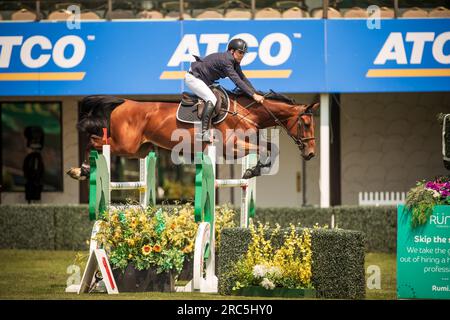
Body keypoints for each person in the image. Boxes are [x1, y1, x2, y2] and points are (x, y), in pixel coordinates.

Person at [184, 38, 265, 141]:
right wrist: (253, 95)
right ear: (232, 51)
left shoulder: (234, 62)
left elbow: (243, 78)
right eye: (240, 52)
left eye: (243, 53)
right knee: (212, 99)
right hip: (194, 78)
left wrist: (254, 92)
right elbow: (237, 81)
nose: (242, 55)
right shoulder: (227, 61)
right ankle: (203, 133)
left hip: (203, 80)